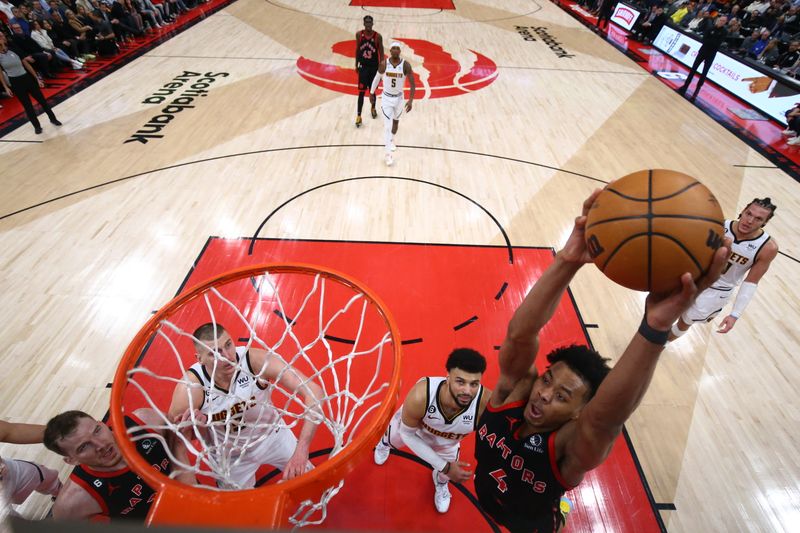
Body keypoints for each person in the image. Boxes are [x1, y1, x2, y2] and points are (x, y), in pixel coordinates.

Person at [472, 190, 730, 532]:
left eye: (563, 396)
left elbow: (605, 419)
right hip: (484, 489)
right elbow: (520, 335)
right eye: (548, 380)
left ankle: (562, 511)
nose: (545, 394)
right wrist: (568, 260)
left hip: (532, 525)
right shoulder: (513, 394)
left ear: (578, 412)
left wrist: (654, 328)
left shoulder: (568, 447)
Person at [167, 322, 324, 488]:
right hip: (229, 456)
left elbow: (314, 391)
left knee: (313, 483)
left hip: (273, 436)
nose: (227, 356)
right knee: (241, 511)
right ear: (200, 359)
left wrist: (302, 449)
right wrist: (196, 428)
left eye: (228, 345)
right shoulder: (190, 388)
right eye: (215, 353)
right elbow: (176, 442)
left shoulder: (254, 360)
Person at [373, 349, 492, 513]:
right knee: (391, 440)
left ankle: (441, 483)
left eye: (474, 384)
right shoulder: (421, 395)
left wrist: (446, 470)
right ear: (448, 377)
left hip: (447, 444)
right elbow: (407, 434)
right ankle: (384, 445)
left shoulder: (484, 403)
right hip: (413, 432)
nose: (467, 391)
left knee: (446, 474)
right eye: (460, 382)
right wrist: (446, 466)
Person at [44, 408, 186, 521]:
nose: (101, 445)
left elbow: (181, 439)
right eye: (83, 447)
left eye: (97, 431)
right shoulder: (73, 501)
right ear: (72, 460)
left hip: (190, 496)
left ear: (102, 423)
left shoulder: (145, 421)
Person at [668, 198, 778, 341]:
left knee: (685, 322)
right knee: (668, 312)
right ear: (743, 211)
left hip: (718, 291)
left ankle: (661, 345)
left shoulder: (767, 248)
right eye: (748, 214)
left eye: (758, 219)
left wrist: (735, 314)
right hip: (696, 277)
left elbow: (751, 282)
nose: (749, 221)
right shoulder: (719, 226)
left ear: (765, 222)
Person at [0, 32, 62, 135]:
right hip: (15, 82)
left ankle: (53, 119)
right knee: (27, 106)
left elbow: (26, 64)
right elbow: (0, 74)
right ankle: (37, 126)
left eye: (2, 36)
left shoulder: (14, 49)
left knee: (42, 101)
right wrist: (6, 87)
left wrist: (37, 78)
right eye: (0, 37)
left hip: (26, 78)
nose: (2, 38)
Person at [0, 419, 62, 514]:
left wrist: (62, 433)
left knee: (43, 475)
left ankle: (60, 492)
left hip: (10, 472)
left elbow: (11, 430)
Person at [370, 41, 415, 167]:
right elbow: (376, 78)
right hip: (386, 99)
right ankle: (388, 154)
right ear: (390, 51)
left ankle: (391, 139)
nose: (395, 50)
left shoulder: (405, 65)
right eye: (393, 48)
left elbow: (413, 84)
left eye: (397, 48)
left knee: (395, 124)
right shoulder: (384, 64)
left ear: (400, 51)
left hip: (399, 99)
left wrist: (410, 100)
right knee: (387, 126)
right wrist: (372, 93)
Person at [677, 15, 728, 101]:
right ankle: (685, 86)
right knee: (693, 68)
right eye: (720, 20)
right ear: (718, 20)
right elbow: (704, 39)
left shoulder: (724, 32)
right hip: (703, 51)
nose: (721, 22)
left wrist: (711, 41)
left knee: (704, 73)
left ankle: (697, 91)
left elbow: (717, 44)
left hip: (711, 54)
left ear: (725, 22)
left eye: (723, 21)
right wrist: (712, 41)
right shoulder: (710, 28)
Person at [354, 15, 383, 128]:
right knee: (361, 92)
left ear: (372, 23)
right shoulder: (359, 35)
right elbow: (357, 49)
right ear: (364, 23)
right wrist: (356, 63)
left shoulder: (377, 36)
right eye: (366, 22)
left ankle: (373, 108)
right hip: (363, 67)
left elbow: (381, 51)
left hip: (374, 68)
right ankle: (359, 116)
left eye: (370, 22)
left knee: (372, 90)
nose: (368, 24)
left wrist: (381, 66)